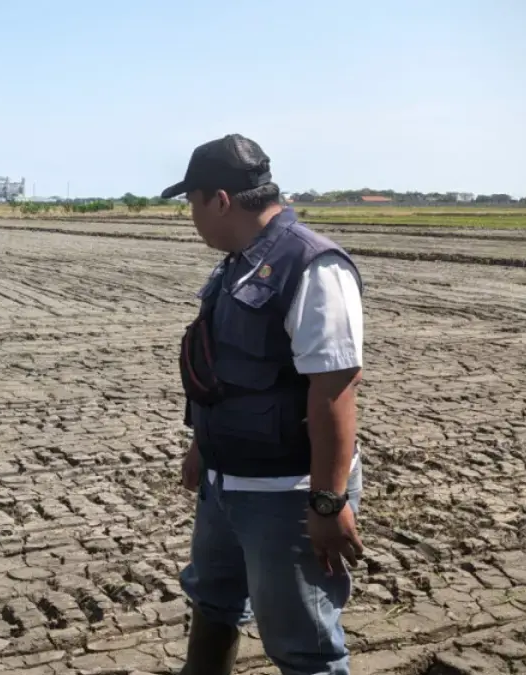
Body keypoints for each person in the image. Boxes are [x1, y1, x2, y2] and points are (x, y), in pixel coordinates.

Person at [162, 134, 366, 675]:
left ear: (220, 200)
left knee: (302, 645)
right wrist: (201, 446)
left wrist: (326, 502)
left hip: (286, 495)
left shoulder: (312, 265)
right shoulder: (237, 264)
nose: (191, 216)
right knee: (213, 598)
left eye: (192, 202)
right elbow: (224, 371)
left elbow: (335, 391)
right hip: (226, 481)